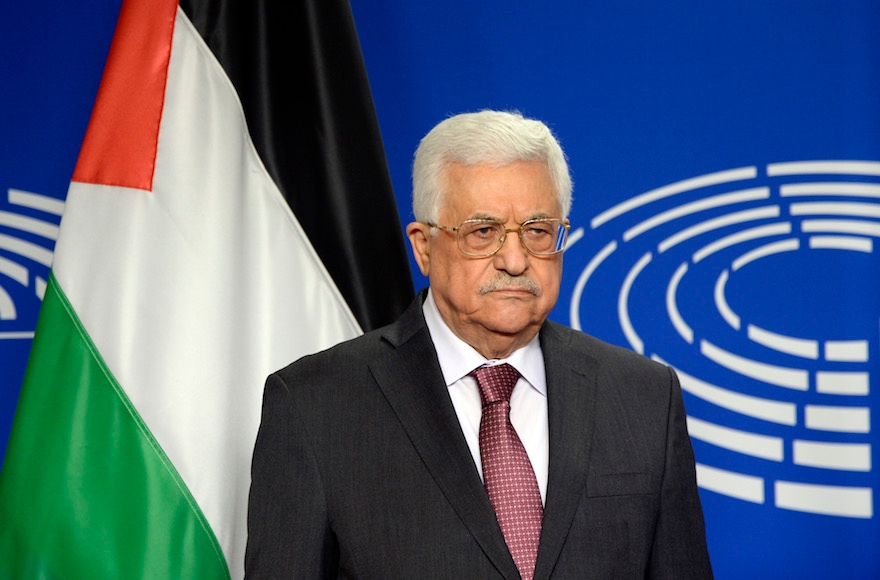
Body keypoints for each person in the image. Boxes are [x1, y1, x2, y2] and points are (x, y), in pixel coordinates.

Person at [245, 110, 713, 579]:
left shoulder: (644, 397)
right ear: (424, 247)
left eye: (538, 231)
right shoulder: (314, 406)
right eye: (483, 232)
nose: (515, 259)